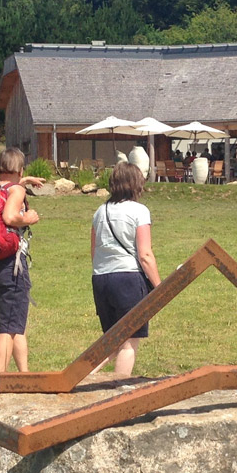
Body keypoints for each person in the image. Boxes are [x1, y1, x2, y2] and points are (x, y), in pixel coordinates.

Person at [90, 161, 162, 378]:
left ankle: (82, 377)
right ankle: (118, 392)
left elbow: (94, 251)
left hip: (101, 278)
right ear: (136, 184)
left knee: (111, 341)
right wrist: (160, 286)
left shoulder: (100, 211)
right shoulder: (139, 211)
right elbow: (145, 255)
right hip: (128, 280)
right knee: (129, 343)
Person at [0, 148, 40, 388]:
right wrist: (29, 218)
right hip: (9, 265)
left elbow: (5, 191)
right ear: (21, 169)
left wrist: (22, 182)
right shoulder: (16, 191)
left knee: (14, 323)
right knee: (7, 329)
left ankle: (24, 375)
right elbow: (9, 217)